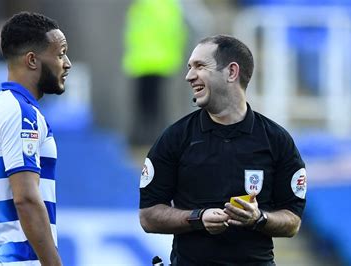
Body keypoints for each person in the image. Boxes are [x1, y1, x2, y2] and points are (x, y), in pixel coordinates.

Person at [139, 35, 307, 265]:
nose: (189, 76)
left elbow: (292, 221)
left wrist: (259, 218)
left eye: (199, 66)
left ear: (231, 72)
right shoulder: (175, 138)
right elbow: (148, 216)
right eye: (189, 67)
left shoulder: (277, 141)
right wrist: (198, 218)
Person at [0, 12, 71, 266]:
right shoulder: (21, 114)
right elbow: (26, 199)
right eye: (60, 53)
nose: (67, 63)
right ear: (32, 60)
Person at [122, 0, 187, 145]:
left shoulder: (144, 5)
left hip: (147, 60)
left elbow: (134, 31)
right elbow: (178, 33)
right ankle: (153, 137)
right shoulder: (170, 5)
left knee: (147, 104)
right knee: (154, 104)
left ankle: (145, 137)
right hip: (158, 60)